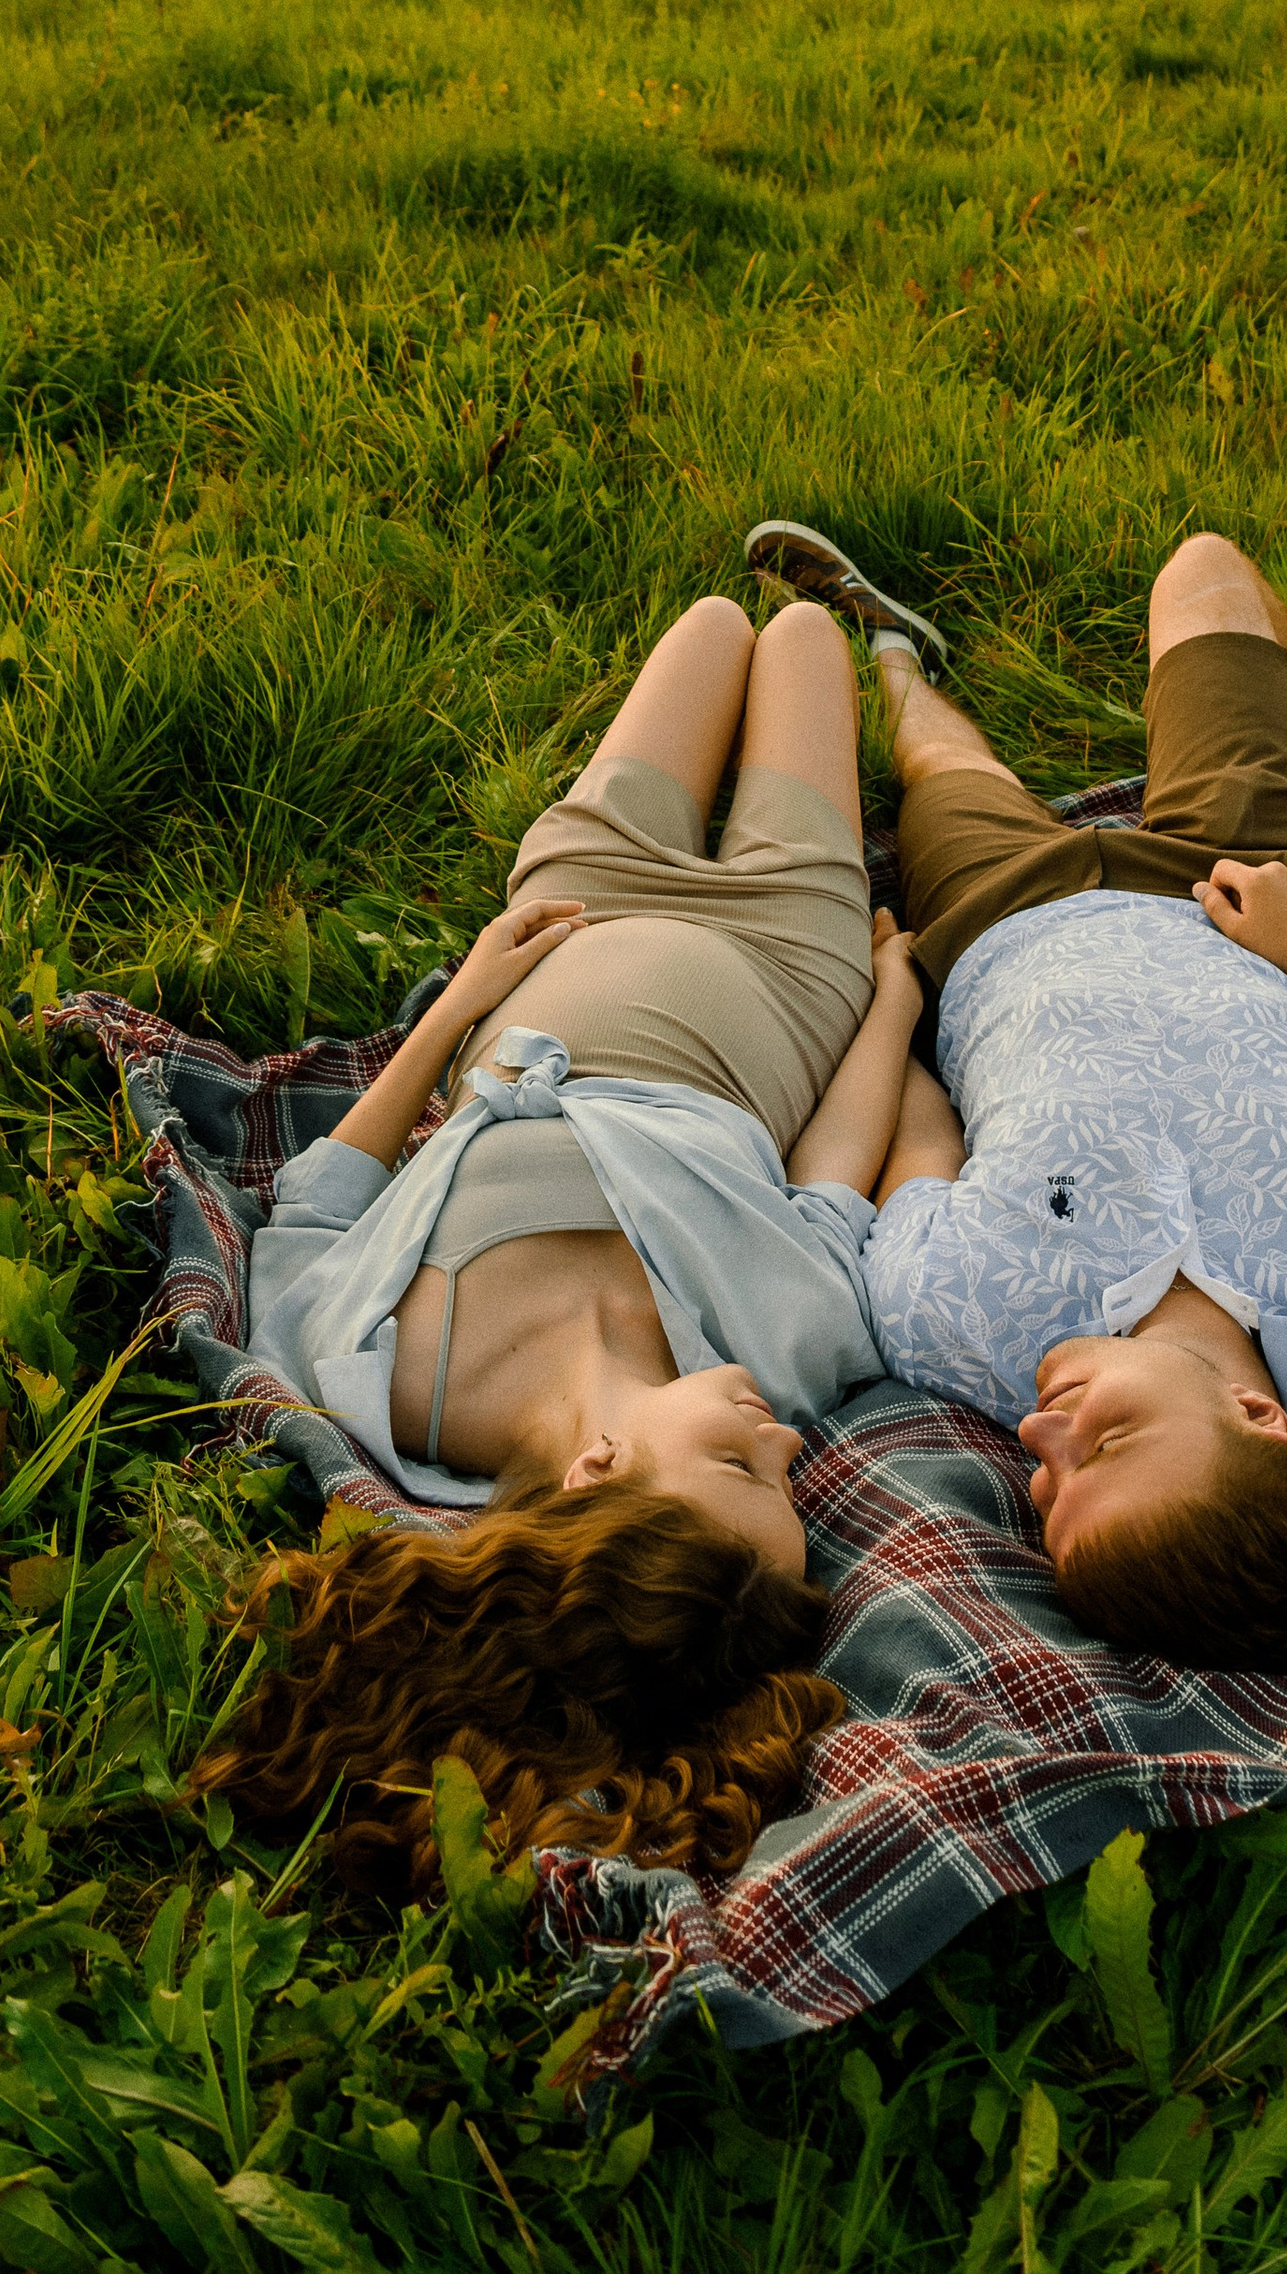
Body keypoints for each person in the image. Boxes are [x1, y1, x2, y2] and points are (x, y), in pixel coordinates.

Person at [744, 520, 1287, 1680]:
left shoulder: (956, 1326)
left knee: (939, 774)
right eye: (1109, 1442)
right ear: (1259, 1420)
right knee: (1203, 569)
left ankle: (893, 651)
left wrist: (905, 997)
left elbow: (922, 1130)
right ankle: (1240, 682)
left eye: (1045, 1483)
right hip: (1245, 891)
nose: (1041, 1434)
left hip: (999, 921)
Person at [215, 593, 928, 1892]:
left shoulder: (380, 1377)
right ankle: (879, 642)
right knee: (795, 635)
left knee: (713, 623)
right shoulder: (796, 1350)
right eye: (784, 1471)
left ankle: (854, 640)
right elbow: (831, 1178)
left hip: (575, 917)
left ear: (599, 1467)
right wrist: (888, 1007)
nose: (781, 1434)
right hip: (786, 965)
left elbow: (320, 1198)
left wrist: (467, 996)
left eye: (738, 1461)